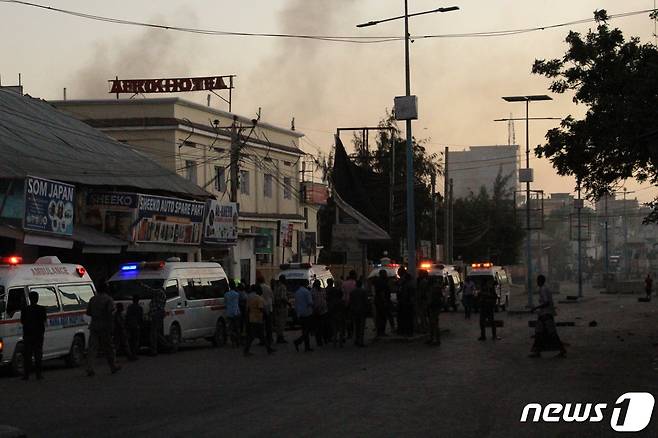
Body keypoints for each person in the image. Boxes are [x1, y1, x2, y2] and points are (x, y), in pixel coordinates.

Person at [86, 285, 120, 376]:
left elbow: (88, 312)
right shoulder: (108, 299)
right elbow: (111, 312)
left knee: (92, 348)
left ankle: (90, 368)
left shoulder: (92, 299)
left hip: (94, 325)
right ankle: (113, 366)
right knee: (108, 347)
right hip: (105, 326)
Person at [529, 275, 567, 358]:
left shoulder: (543, 289)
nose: (537, 282)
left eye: (537, 280)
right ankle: (537, 351)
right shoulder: (545, 288)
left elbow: (546, 303)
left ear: (540, 281)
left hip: (546, 314)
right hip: (544, 314)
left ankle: (561, 350)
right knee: (539, 332)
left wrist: (536, 307)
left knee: (550, 333)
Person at [20, 291, 46, 380]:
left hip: (28, 335)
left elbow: (22, 321)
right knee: (38, 355)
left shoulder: (25, 309)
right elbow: (44, 321)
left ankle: (26, 375)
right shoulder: (42, 309)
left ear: (30, 299)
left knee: (27, 355)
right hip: (38, 335)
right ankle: (38, 374)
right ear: (37, 299)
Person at [243, 285, 275, 356]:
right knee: (256, 336)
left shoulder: (249, 298)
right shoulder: (259, 299)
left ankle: (268, 348)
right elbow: (261, 309)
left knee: (258, 335)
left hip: (251, 318)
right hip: (258, 318)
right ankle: (247, 350)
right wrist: (266, 315)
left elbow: (247, 309)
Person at [147, 282, 168, 355]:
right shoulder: (161, 293)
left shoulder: (159, 292)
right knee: (156, 333)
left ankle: (154, 350)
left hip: (156, 314)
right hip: (158, 314)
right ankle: (167, 346)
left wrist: (141, 285)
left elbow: (151, 290)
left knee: (153, 333)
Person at [293, 280, 314, 352]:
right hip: (307, 313)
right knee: (307, 330)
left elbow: (296, 304)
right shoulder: (307, 292)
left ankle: (306, 346)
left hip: (300, 313)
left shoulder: (297, 292)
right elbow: (310, 302)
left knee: (304, 330)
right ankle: (298, 342)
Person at [326, 278, 345, 346]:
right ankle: (340, 343)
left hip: (333, 316)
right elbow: (343, 309)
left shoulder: (332, 302)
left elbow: (330, 308)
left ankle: (334, 342)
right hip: (340, 316)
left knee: (334, 329)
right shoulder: (341, 302)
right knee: (341, 329)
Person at [350, 280, 369, 347]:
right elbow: (366, 301)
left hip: (354, 310)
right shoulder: (363, 292)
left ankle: (356, 339)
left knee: (356, 326)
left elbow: (351, 302)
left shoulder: (352, 292)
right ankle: (361, 341)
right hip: (362, 310)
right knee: (361, 327)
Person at [396, 269, 415, 337]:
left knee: (408, 317)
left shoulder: (407, 281)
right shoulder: (401, 281)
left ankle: (408, 331)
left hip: (407, 302)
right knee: (402, 317)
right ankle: (402, 330)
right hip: (402, 301)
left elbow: (410, 292)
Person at [311, 279, 330, 346]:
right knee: (318, 327)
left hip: (324, 310)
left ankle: (325, 339)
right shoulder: (312, 291)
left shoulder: (322, 290)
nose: (318, 284)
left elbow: (325, 298)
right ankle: (319, 341)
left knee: (324, 326)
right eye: (317, 283)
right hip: (316, 311)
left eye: (319, 283)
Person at [257, 273, 274, 345]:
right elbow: (272, 297)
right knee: (268, 325)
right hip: (268, 308)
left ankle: (262, 340)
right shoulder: (268, 287)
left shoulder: (257, 288)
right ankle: (269, 339)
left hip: (260, 308)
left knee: (261, 326)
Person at [374, 270, 391, 337]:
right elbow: (382, 292)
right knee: (382, 317)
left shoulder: (378, 281)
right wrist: (384, 301)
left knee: (380, 317)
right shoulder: (382, 282)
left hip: (379, 301)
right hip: (381, 301)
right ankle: (381, 332)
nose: (386, 275)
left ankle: (380, 332)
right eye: (385, 273)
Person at [427, 276, 443, 346]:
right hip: (434, 307)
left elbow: (434, 298)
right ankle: (433, 339)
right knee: (432, 324)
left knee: (434, 324)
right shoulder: (436, 287)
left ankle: (436, 340)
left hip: (434, 307)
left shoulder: (435, 288)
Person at [224, 280, 241, 347]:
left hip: (229, 313)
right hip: (236, 312)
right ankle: (238, 341)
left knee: (231, 328)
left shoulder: (226, 294)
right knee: (237, 328)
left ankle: (233, 341)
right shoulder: (237, 294)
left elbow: (225, 303)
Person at [125, 294, 143, 359]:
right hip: (136, 325)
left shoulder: (129, 307)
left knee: (130, 340)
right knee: (135, 340)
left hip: (130, 325)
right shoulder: (139, 308)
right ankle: (134, 354)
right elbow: (140, 318)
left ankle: (131, 354)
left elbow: (127, 317)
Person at [273, 275, 289, 344]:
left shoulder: (276, 287)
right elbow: (283, 298)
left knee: (278, 323)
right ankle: (280, 338)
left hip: (276, 306)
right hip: (282, 306)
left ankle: (279, 337)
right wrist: (288, 304)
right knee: (282, 323)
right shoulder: (283, 287)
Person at [341, 271, 357, 339]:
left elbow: (342, 293)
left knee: (347, 319)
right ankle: (354, 333)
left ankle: (349, 333)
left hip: (346, 303)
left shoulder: (344, 283)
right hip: (354, 303)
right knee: (355, 319)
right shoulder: (356, 283)